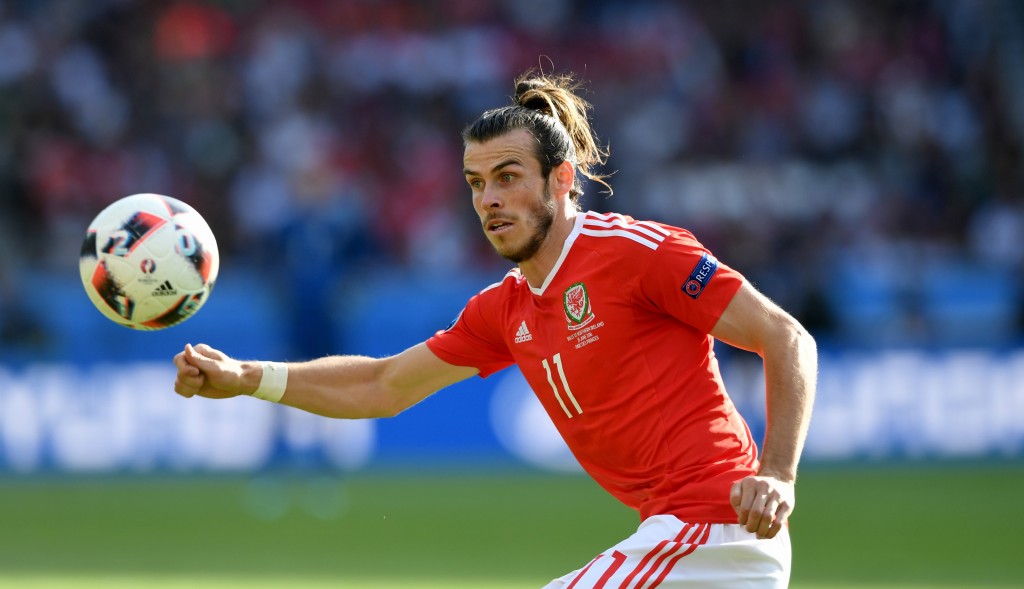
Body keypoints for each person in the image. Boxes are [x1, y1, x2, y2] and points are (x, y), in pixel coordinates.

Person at [173, 70, 817, 588]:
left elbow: (786, 337)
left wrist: (780, 474)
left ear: (561, 180)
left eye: (508, 178)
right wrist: (246, 378)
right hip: (676, 543)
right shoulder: (504, 309)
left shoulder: (636, 253)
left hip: (714, 535)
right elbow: (383, 385)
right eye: (476, 183)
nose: (488, 200)